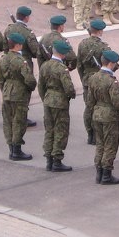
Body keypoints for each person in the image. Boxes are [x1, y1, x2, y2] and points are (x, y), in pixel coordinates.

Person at [0, 32, 37, 161]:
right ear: (18, 45)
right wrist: (30, 88)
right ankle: (17, 150)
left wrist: (5, 89)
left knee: (8, 122)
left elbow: (0, 78)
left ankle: (11, 147)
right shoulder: (21, 61)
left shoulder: (3, 58)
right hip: (19, 94)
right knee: (19, 122)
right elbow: (29, 79)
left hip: (7, 92)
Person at [89, 50, 119, 185]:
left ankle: (99, 173)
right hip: (109, 116)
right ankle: (106, 175)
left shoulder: (93, 77)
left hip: (97, 113)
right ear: (111, 63)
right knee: (110, 145)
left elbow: (90, 100)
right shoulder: (112, 81)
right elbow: (117, 102)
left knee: (100, 144)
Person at [39, 40, 76, 172]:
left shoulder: (45, 65)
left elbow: (41, 86)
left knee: (50, 130)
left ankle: (49, 159)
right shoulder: (62, 68)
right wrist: (72, 94)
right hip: (60, 102)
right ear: (62, 53)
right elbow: (69, 88)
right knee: (61, 130)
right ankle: (57, 160)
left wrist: (45, 98)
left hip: (48, 99)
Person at [77, 19, 111, 145]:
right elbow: (111, 65)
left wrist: (83, 78)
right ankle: (98, 133)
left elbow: (79, 64)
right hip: (100, 79)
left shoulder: (82, 44)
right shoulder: (103, 46)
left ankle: (90, 134)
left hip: (87, 79)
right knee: (99, 107)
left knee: (89, 107)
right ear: (100, 31)